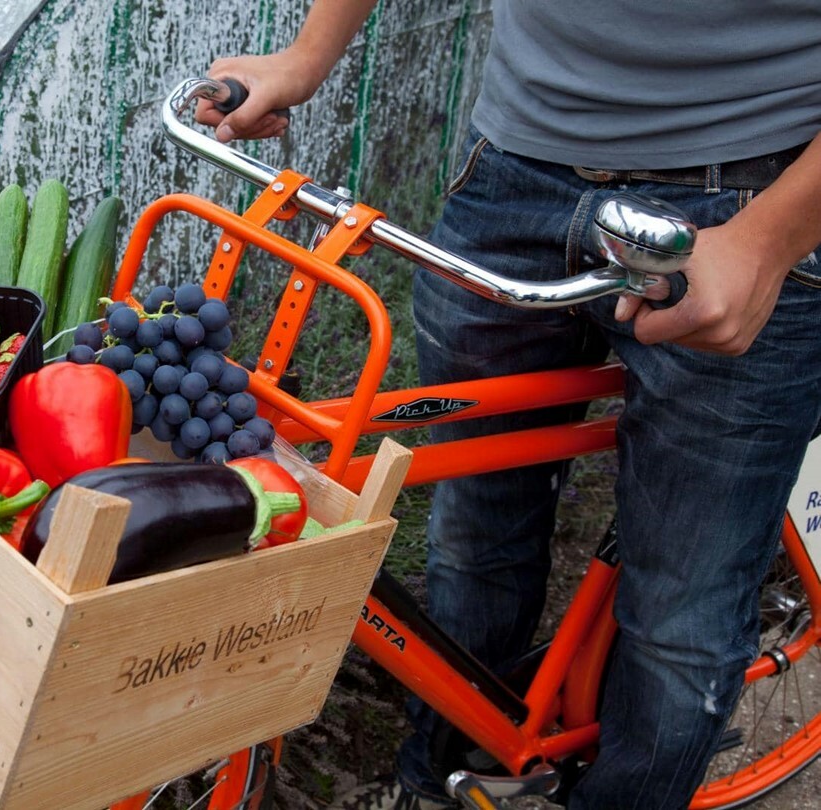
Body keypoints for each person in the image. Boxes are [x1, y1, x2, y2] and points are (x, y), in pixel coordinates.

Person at [196, 2, 821, 808]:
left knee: (680, 614)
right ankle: (436, 782)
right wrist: (306, 55)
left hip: (748, 195)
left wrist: (769, 243)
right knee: (472, 531)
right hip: (511, 167)